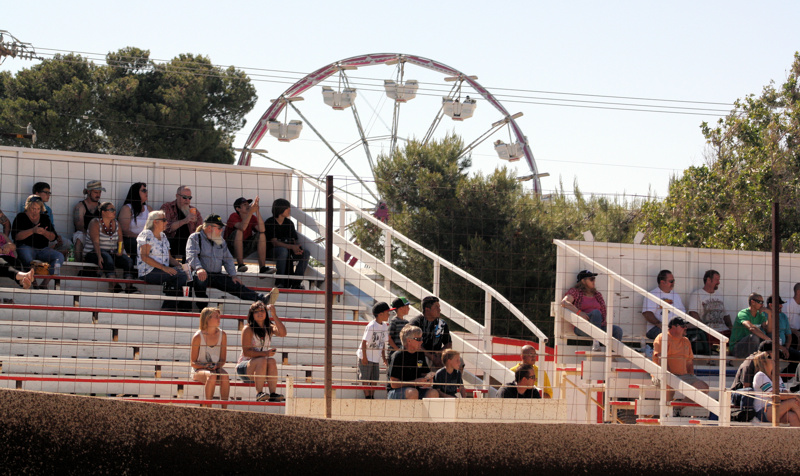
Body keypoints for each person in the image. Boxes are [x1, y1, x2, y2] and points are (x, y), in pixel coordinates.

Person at [186, 214, 272, 310]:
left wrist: (233, 275)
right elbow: (191, 255)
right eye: (219, 228)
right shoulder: (195, 237)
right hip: (200, 273)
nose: (221, 230)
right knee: (200, 278)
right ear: (209, 228)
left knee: (235, 284)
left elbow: (228, 259)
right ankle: (202, 307)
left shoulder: (220, 240)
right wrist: (199, 268)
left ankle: (261, 299)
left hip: (216, 275)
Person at [136, 210, 189, 310]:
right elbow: (144, 257)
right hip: (149, 271)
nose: (167, 222)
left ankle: (178, 305)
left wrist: (181, 265)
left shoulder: (163, 236)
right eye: (164, 220)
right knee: (180, 275)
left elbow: (169, 258)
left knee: (186, 273)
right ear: (155, 222)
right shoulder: (147, 234)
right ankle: (169, 307)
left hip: (162, 270)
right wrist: (164, 268)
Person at [236, 300, 287, 402]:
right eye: (256, 311)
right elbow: (246, 352)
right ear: (252, 314)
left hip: (261, 368)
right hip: (244, 368)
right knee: (263, 359)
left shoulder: (269, 327)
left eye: (262, 311)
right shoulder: (248, 329)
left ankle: (272, 394)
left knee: (271, 361)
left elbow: (283, 333)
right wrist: (266, 353)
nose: (260, 313)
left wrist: (274, 315)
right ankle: (259, 393)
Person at [651, 317, 709, 406]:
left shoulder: (686, 341)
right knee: (668, 385)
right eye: (683, 326)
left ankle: (677, 409)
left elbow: (689, 363)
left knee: (703, 387)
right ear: (673, 327)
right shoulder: (662, 337)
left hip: (682, 376)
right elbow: (661, 360)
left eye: (686, 326)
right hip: (662, 374)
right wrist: (669, 376)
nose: (686, 328)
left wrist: (691, 377)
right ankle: (665, 411)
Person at [560, 269, 623, 349]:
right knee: (596, 313)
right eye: (591, 279)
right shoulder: (575, 292)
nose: (594, 282)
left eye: (594, 279)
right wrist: (580, 313)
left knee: (617, 330)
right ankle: (596, 342)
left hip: (599, 326)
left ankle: (613, 355)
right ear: (583, 281)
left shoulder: (597, 295)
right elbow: (564, 302)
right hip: (582, 327)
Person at [84, 202, 137, 294]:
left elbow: (120, 241)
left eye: (114, 209)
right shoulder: (95, 223)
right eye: (111, 210)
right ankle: (114, 286)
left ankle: (129, 287)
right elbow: (96, 242)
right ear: (103, 212)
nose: (114, 212)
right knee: (106, 258)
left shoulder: (116, 223)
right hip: (93, 253)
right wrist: (99, 256)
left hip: (111, 252)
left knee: (128, 261)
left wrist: (120, 251)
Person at [12, 195, 63, 289]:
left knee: (59, 257)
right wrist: (32, 231)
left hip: (43, 249)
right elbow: (16, 237)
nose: (35, 211)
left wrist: (44, 232)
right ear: (27, 207)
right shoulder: (21, 217)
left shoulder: (45, 218)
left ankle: (45, 282)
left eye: (38, 209)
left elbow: (53, 237)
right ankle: (33, 282)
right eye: (32, 208)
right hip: (26, 247)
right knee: (26, 256)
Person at [264, 198, 309, 289]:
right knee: (283, 251)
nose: (289, 210)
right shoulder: (270, 222)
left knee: (306, 253)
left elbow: (294, 240)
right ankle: (280, 282)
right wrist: (291, 247)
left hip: (288, 250)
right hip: (271, 252)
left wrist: (296, 249)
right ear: (280, 209)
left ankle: (296, 282)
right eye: (287, 208)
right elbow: (274, 242)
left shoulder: (289, 223)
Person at [190, 307, 230, 409]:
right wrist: (205, 366)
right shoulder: (198, 336)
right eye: (216, 317)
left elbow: (223, 360)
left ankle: (225, 410)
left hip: (215, 368)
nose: (219, 319)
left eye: (219, 316)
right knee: (211, 376)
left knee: (225, 376)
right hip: (199, 369)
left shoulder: (223, 335)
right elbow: (193, 363)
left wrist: (216, 366)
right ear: (207, 319)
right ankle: (209, 409)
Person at [686, 270, 731, 356]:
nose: (718, 282)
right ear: (708, 280)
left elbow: (726, 314)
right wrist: (705, 329)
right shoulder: (697, 295)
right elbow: (693, 314)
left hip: (724, 331)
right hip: (708, 331)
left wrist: (731, 327)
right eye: (716, 280)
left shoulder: (719, 295)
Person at [386, 325, 438, 399]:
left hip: (415, 389)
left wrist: (427, 380)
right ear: (409, 340)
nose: (421, 341)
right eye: (418, 339)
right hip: (395, 391)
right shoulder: (398, 356)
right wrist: (414, 382)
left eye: (421, 338)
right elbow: (394, 384)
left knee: (433, 393)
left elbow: (424, 373)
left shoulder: (420, 354)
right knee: (412, 392)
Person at [751, 351, 800, 426]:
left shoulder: (776, 376)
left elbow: (784, 392)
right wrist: (794, 396)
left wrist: (793, 396)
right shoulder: (760, 375)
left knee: (792, 416)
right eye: (770, 357)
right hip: (764, 411)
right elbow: (774, 395)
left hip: (777, 407)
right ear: (763, 362)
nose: (774, 359)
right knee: (794, 402)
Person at [224, 196, 270, 274]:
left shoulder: (252, 217)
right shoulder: (234, 216)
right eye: (244, 205)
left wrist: (257, 211)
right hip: (230, 249)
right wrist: (250, 212)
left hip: (245, 248)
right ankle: (240, 265)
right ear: (238, 209)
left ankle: (262, 268)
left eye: (248, 204)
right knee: (239, 231)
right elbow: (242, 227)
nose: (248, 206)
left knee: (261, 235)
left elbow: (262, 230)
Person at [409, 296, 452, 369]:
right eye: (436, 307)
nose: (439, 310)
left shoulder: (442, 324)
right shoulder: (416, 323)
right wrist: (432, 357)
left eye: (439, 307)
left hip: (438, 355)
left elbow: (448, 344)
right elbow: (413, 344)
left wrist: (439, 354)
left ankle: (452, 380)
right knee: (425, 361)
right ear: (427, 309)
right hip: (421, 355)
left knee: (458, 361)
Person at [357, 302, 390, 399]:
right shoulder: (371, 326)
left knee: (375, 378)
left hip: (375, 357)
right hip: (366, 356)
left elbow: (382, 342)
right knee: (365, 378)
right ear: (380, 314)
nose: (389, 315)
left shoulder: (384, 326)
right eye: (387, 312)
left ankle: (372, 395)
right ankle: (368, 396)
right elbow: (364, 342)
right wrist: (364, 357)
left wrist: (384, 358)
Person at [160, 186, 203, 259]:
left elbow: (200, 233)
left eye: (189, 198)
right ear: (177, 196)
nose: (187, 200)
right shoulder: (167, 207)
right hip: (170, 247)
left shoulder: (194, 211)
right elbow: (164, 228)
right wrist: (185, 221)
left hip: (189, 248)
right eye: (184, 197)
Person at [22, 182, 64, 255]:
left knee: (67, 243)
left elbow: (52, 227)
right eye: (46, 192)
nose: (48, 195)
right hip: (30, 237)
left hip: (45, 235)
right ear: (37, 193)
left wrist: (56, 236)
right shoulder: (26, 207)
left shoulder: (48, 209)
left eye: (49, 193)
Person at [642, 269, 686, 340]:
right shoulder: (652, 295)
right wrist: (660, 324)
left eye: (674, 281)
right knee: (673, 334)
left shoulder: (676, 295)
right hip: (656, 328)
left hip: (675, 328)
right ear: (662, 282)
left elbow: (682, 313)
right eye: (671, 281)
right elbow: (647, 313)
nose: (673, 283)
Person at [764, 296, 800, 375]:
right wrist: (781, 348)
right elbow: (765, 336)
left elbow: (789, 335)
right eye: (779, 304)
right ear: (771, 305)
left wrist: (786, 348)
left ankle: (783, 379)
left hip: (783, 347)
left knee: (798, 357)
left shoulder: (783, 316)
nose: (782, 306)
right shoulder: (763, 315)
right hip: (769, 348)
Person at [72, 180, 104, 262]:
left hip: (99, 235)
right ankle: (79, 266)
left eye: (100, 192)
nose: (98, 195)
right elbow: (79, 226)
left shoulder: (102, 207)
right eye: (96, 192)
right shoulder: (80, 206)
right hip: (85, 233)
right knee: (79, 237)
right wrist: (92, 235)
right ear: (89, 192)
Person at [730, 293, 770, 358]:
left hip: (751, 347)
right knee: (754, 337)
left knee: (768, 337)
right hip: (737, 348)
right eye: (760, 302)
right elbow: (751, 328)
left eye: (763, 302)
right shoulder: (743, 313)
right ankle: (753, 361)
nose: (762, 305)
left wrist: (769, 314)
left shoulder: (760, 315)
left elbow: (768, 329)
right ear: (752, 302)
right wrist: (768, 339)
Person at [119, 182, 152, 259]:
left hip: (147, 241)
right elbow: (124, 231)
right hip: (131, 240)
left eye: (146, 190)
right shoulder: (127, 208)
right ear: (135, 193)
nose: (146, 192)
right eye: (143, 190)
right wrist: (141, 238)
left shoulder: (149, 209)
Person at [782, 283, 800, 350]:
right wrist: (795, 331)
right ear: (798, 292)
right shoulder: (788, 304)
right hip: (790, 332)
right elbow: (784, 325)